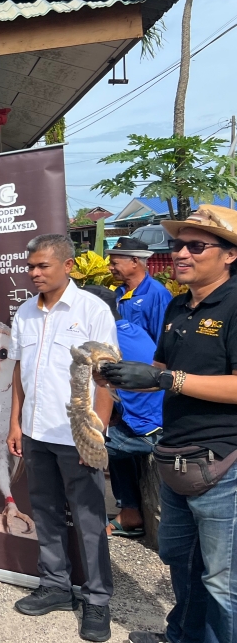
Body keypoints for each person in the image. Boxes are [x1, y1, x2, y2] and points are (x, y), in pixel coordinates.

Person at [102, 205, 237, 643]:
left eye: (196, 246)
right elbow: (163, 367)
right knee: (181, 560)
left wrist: (164, 378)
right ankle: (182, 636)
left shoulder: (234, 305)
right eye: (178, 244)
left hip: (224, 463)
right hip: (175, 454)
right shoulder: (178, 305)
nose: (180, 253)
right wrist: (124, 374)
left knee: (223, 581)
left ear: (230, 255)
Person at [5, 234, 116, 641]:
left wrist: (95, 434)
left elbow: (106, 378)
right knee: (46, 512)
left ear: (68, 266)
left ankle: (98, 600)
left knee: (89, 520)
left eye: (42, 266)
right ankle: (54, 585)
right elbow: (18, 372)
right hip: (35, 433)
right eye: (30, 267)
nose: (34, 273)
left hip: (77, 435)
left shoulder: (92, 310)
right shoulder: (25, 313)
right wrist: (15, 424)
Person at [81, 286, 161, 540]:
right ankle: (129, 512)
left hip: (143, 432)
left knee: (64, 446)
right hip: (155, 423)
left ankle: (82, 521)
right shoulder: (133, 330)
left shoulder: (103, 344)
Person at [107, 237, 172, 344]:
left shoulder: (157, 294)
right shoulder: (119, 292)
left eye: (114, 263)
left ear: (134, 261)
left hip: (144, 360)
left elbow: (163, 339)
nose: (110, 268)